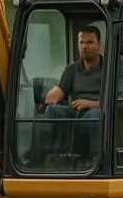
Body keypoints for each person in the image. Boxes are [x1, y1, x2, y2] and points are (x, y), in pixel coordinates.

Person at [39, 25, 103, 154]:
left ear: (99, 45)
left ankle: (96, 158)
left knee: (95, 116)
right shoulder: (72, 69)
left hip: (98, 110)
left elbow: (117, 101)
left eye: (89, 42)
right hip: (76, 112)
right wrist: (46, 100)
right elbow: (60, 90)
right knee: (52, 110)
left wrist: (89, 104)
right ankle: (49, 154)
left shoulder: (108, 68)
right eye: (81, 42)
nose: (84, 47)